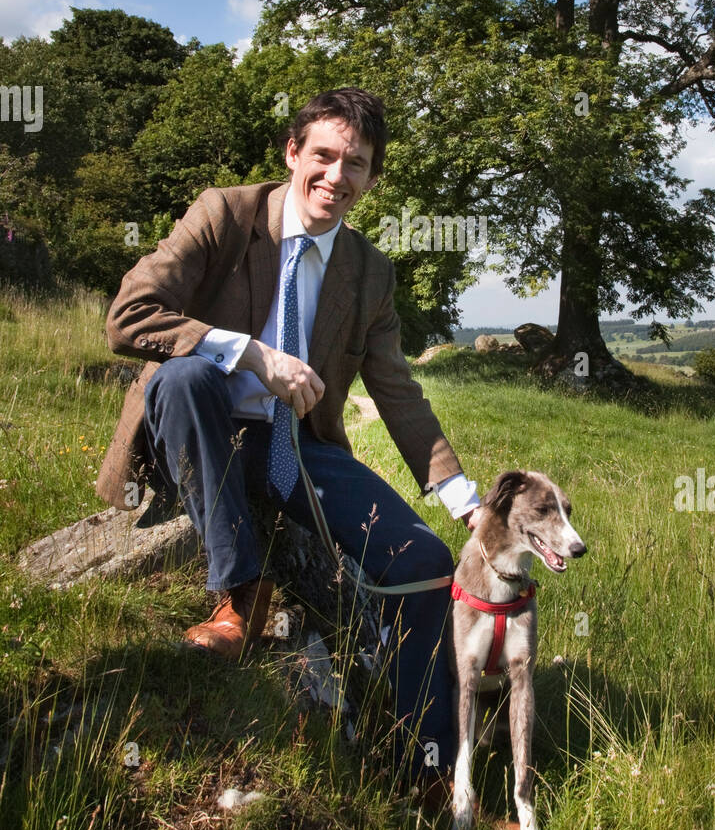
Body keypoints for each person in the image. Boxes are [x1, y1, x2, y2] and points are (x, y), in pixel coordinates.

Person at [95, 87, 480, 779]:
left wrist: (465, 499)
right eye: (324, 156)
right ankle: (237, 599)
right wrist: (247, 352)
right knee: (185, 378)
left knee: (427, 566)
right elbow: (129, 316)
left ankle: (428, 778)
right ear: (292, 152)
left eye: (356, 164)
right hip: (198, 420)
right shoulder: (223, 212)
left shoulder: (371, 272)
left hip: (296, 445)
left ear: (371, 177)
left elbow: (397, 391)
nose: (336, 176)